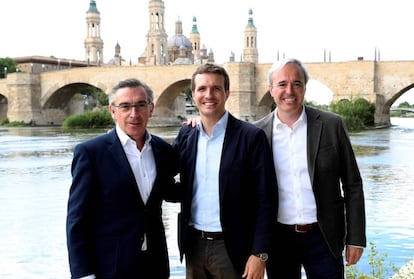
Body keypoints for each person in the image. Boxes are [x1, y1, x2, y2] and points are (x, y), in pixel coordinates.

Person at [254, 58, 366, 279]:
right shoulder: (256, 133)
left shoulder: (332, 125)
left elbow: (353, 185)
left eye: (297, 83)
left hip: (323, 237)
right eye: (282, 84)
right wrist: (197, 125)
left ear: (305, 87)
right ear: (271, 89)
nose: (290, 91)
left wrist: (355, 238)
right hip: (277, 239)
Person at [66, 78, 180, 279]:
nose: (134, 114)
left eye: (140, 105)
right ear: (112, 111)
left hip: (155, 266)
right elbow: (78, 219)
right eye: (125, 106)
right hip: (110, 267)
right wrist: (83, 274)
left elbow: (172, 191)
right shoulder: (91, 153)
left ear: (151, 109)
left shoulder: (163, 150)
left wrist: (195, 129)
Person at [173, 63, 278, 279]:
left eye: (216, 88)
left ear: (227, 93)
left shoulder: (251, 137)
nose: (208, 95)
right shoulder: (186, 135)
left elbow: (266, 199)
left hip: (234, 248)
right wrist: (124, 139)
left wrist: (260, 253)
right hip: (193, 246)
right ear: (193, 94)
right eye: (202, 89)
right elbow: (161, 169)